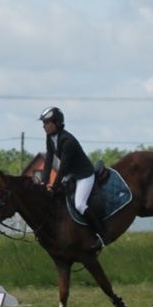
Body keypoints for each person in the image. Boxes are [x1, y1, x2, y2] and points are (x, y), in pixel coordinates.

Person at [38, 106, 105, 247]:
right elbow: (49, 160)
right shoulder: (50, 137)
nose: (44, 126)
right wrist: (44, 183)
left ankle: (101, 234)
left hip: (84, 175)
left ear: (56, 123)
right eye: (43, 123)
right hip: (72, 174)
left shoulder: (68, 140)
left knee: (80, 204)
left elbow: (63, 168)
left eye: (46, 123)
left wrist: (53, 186)